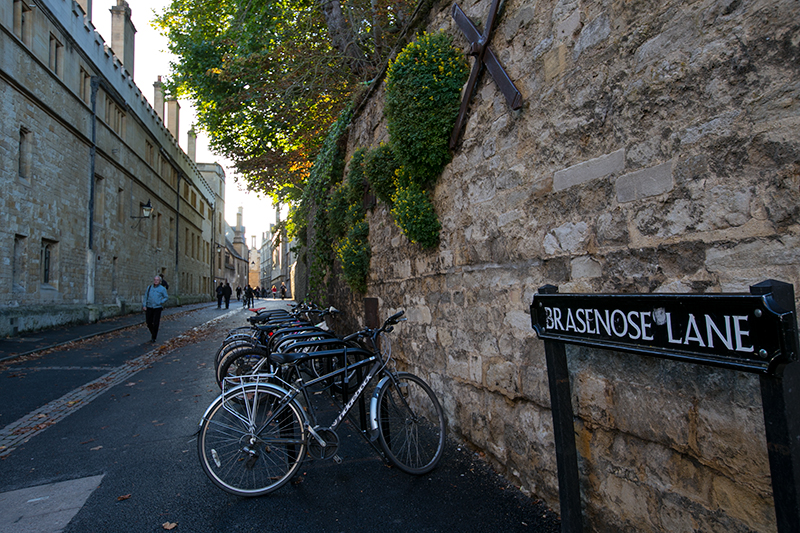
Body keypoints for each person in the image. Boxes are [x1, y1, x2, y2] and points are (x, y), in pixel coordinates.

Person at [142, 275, 168, 343]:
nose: (155, 281)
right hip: (149, 306)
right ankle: (153, 332)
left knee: (156, 322)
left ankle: (154, 337)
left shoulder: (162, 289)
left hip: (157, 307)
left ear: (159, 281)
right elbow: (146, 296)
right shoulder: (149, 287)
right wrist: (144, 305)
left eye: (157, 280)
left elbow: (166, 297)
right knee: (148, 322)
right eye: (155, 280)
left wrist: (161, 302)